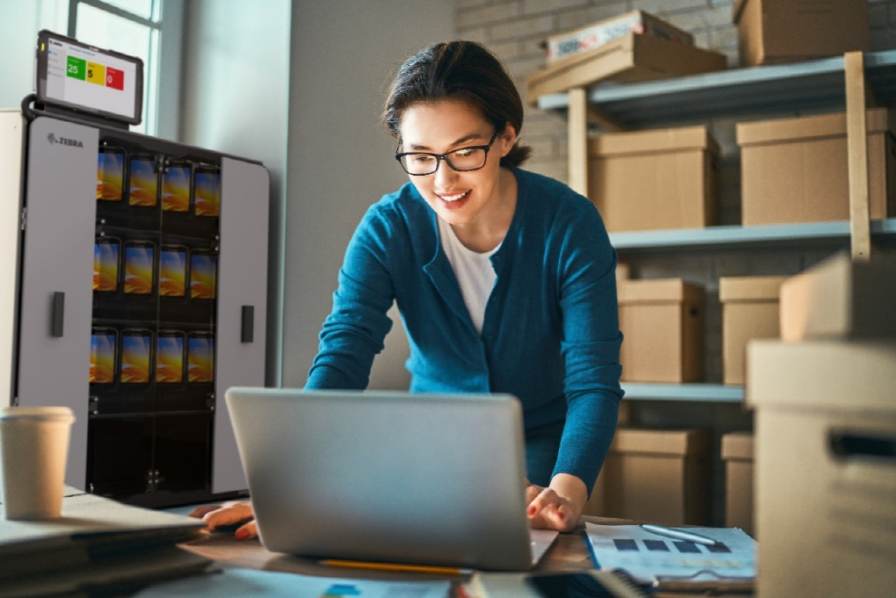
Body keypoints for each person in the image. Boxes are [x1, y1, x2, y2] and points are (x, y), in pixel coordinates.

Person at [192, 40, 623, 540]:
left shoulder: (569, 224)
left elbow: (593, 379)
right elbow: (345, 350)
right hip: (430, 444)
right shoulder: (388, 228)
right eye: (420, 156)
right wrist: (290, 484)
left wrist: (566, 488)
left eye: (465, 151)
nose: (443, 180)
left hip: (543, 443)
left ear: (506, 136)